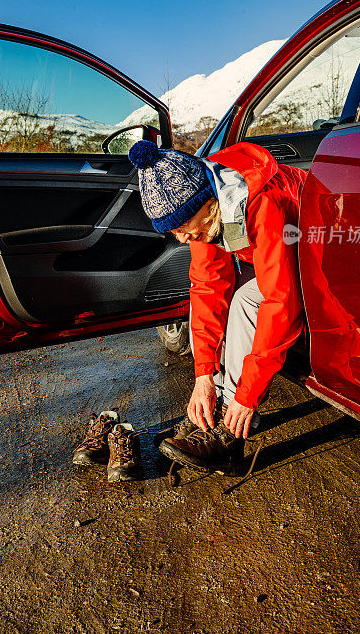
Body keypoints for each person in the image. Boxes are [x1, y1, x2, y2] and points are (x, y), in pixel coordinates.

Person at [128, 139, 307, 473]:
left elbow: (280, 300)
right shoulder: (209, 209)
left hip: (319, 246)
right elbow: (207, 288)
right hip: (276, 253)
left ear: (205, 204)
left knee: (248, 300)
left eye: (181, 226)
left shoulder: (264, 201)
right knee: (232, 296)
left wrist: (248, 396)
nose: (180, 238)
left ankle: (232, 424)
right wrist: (203, 374)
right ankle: (218, 413)